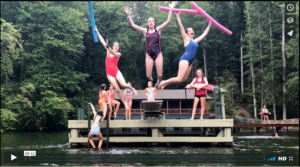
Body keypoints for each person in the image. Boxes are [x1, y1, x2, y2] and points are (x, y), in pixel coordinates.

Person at [124, 1, 177, 88]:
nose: (151, 22)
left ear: (154, 23)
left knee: (160, 75)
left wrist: (171, 9)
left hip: (158, 53)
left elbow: (168, 21)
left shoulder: (158, 29)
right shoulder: (145, 31)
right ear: (148, 23)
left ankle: (158, 82)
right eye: (149, 21)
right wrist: (129, 15)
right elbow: (133, 25)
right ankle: (152, 80)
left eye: (152, 21)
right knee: (148, 76)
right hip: (149, 54)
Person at [158, 12, 212, 90]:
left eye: (192, 30)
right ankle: (163, 82)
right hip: (185, 59)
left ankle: (165, 84)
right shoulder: (186, 39)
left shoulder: (195, 41)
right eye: (189, 31)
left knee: (183, 80)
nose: (191, 31)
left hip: (190, 62)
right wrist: (177, 15)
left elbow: (204, 34)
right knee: (179, 78)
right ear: (187, 34)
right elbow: (181, 27)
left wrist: (209, 24)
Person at [94, 27, 138, 111]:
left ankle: (133, 89)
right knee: (117, 89)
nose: (116, 47)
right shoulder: (108, 50)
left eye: (118, 46)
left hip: (116, 71)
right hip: (109, 73)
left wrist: (108, 47)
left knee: (124, 85)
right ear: (113, 46)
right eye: (115, 45)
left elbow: (113, 53)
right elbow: (102, 40)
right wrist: (97, 31)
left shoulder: (118, 54)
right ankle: (124, 103)